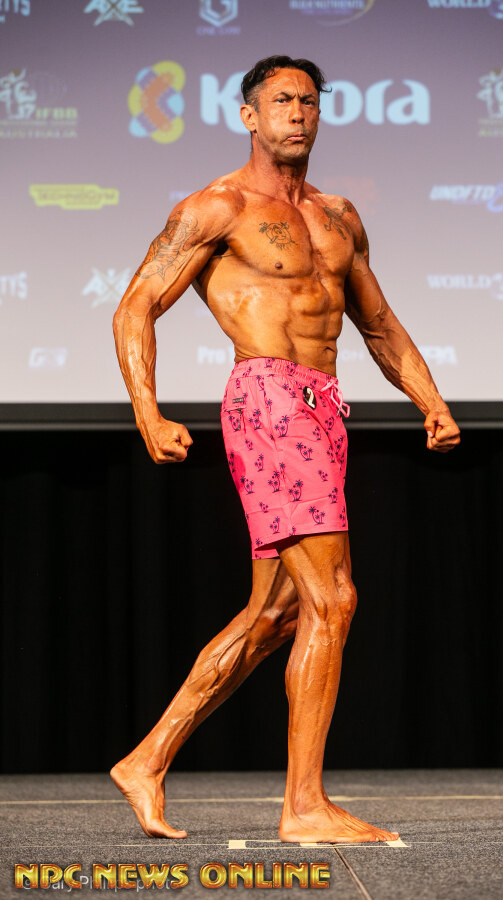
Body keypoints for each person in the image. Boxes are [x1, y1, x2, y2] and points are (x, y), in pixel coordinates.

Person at [111, 54, 460, 844]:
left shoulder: (339, 217)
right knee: (334, 599)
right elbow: (135, 307)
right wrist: (147, 412)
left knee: (275, 614)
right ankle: (304, 807)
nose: (296, 113)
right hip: (267, 399)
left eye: (307, 100)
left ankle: (146, 760)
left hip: (323, 406)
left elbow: (377, 323)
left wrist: (430, 399)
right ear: (249, 115)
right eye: (280, 100)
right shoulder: (218, 208)